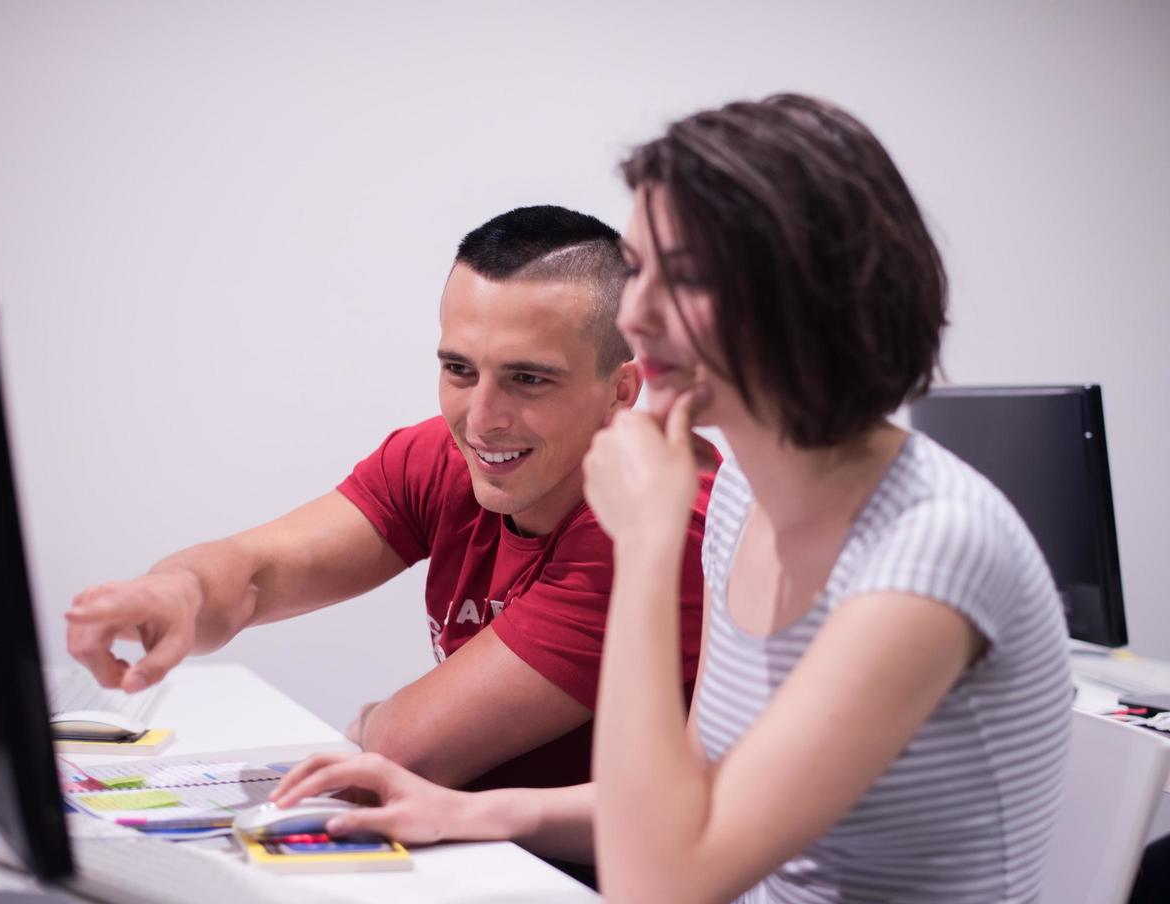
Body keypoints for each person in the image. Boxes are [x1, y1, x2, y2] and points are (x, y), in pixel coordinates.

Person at [270, 95, 1073, 904]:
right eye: (640, 268)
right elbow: (681, 804)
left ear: (807, 299)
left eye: (681, 278)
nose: (637, 314)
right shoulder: (745, 500)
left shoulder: (928, 552)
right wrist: (471, 812)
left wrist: (648, 549)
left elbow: (659, 888)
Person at [65, 205, 716, 793]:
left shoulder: (658, 523)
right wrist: (177, 592)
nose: (481, 420)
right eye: (459, 370)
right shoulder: (443, 457)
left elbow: (410, 751)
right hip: (496, 859)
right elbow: (258, 574)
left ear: (623, 390)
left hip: (610, 903)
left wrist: (377, 719)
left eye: (528, 379)